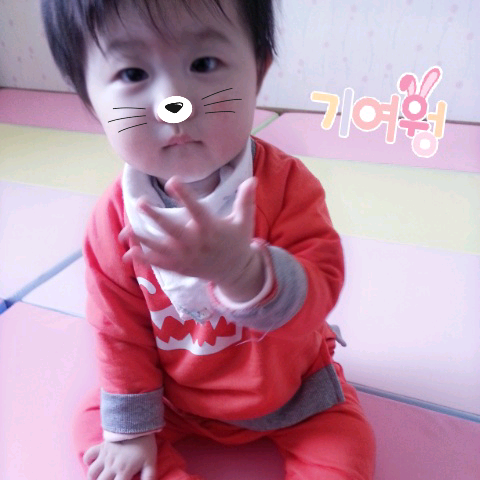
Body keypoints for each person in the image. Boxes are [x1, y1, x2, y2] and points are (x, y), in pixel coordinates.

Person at [41, 0, 376, 479]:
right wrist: (132, 433)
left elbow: (318, 292)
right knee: (99, 429)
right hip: (172, 402)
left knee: (345, 451)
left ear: (257, 72)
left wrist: (244, 273)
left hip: (294, 394)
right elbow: (118, 332)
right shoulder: (113, 220)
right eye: (133, 73)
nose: (172, 101)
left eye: (203, 64)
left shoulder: (286, 188)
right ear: (90, 98)